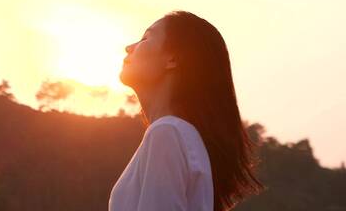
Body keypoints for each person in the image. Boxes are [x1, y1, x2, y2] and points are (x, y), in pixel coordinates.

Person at [108, 11, 265, 211]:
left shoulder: (167, 132)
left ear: (173, 59)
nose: (129, 47)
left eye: (146, 38)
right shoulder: (178, 134)